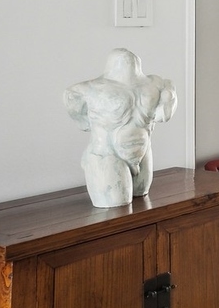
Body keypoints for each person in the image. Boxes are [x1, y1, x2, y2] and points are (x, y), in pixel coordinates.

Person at [64, 48, 177, 207]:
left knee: (143, 205)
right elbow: (81, 120)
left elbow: (163, 116)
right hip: (106, 154)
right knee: (117, 211)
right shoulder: (85, 91)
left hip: (143, 153)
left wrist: (169, 98)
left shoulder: (157, 85)